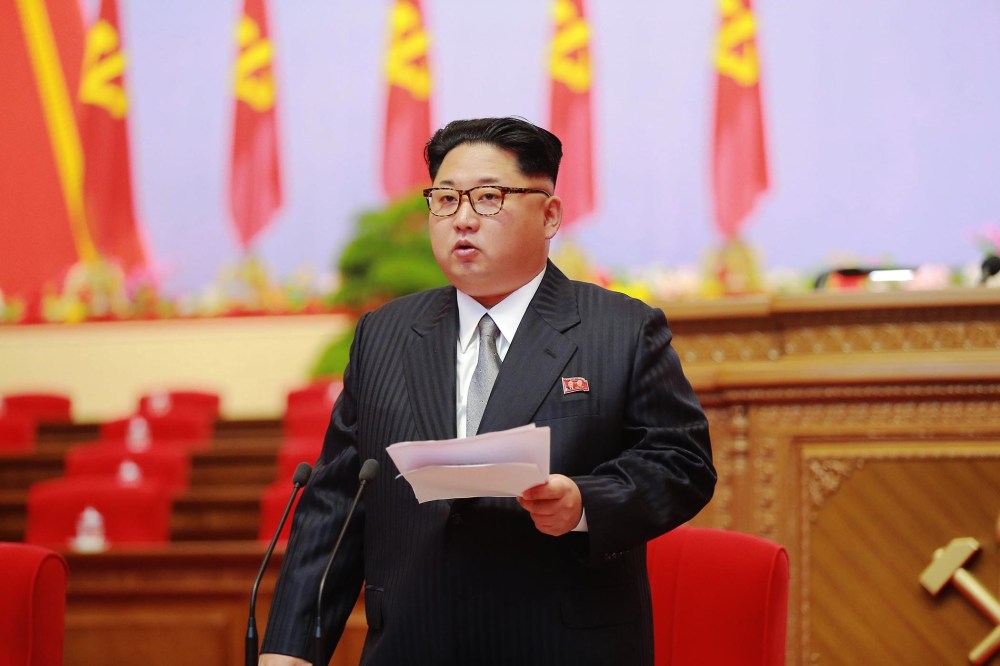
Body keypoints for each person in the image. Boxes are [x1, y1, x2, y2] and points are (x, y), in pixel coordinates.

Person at [260, 117, 715, 666]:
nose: (463, 220)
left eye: (488, 198)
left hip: (560, 646)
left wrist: (584, 503)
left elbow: (682, 463)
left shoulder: (619, 330)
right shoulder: (385, 335)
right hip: (411, 643)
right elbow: (335, 504)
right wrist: (289, 651)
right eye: (445, 200)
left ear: (549, 215)